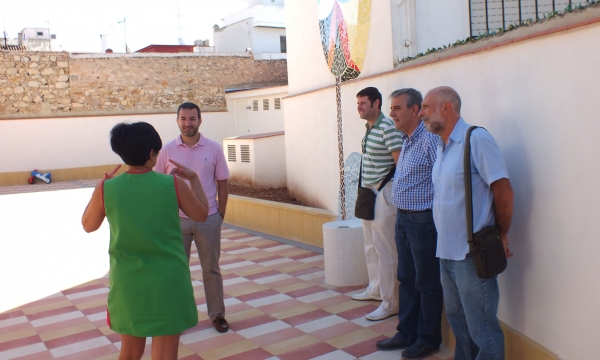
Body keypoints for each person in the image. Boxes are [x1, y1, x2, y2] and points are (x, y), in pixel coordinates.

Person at [81, 122, 209, 360]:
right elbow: (202, 214)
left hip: (128, 285)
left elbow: (88, 225)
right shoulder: (172, 184)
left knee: (129, 353)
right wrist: (194, 180)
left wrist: (99, 187)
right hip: (168, 283)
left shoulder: (108, 188)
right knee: (165, 356)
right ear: (151, 153)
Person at [421, 86, 514, 360]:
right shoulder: (442, 147)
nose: (422, 113)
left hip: (471, 254)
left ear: (446, 107)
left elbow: (503, 189)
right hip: (446, 252)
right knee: (459, 323)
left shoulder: (476, 139)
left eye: (426, 107)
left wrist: (502, 233)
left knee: (482, 329)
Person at [375, 89, 443, 359]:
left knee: (426, 282)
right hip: (403, 219)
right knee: (407, 278)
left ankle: (428, 339)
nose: (391, 113)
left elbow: (441, 181)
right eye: (391, 108)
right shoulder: (407, 139)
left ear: (415, 110)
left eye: (397, 108)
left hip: (422, 220)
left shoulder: (428, 140)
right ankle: (406, 333)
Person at [154, 102, 231, 333]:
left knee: (211, 269)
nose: (188, 123)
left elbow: (223, 182)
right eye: (183, 119)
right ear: (177, 120)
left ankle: (217, 315)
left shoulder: (214, 148)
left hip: (208, 218)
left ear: (200, 120)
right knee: (177, 270)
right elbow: (157, 183)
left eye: (192, 119)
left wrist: (221, 213)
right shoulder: (167, 150)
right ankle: (177, 317)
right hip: (177, 220)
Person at [351, 87, 403, 321]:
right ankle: (375, 289)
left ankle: (391, 301)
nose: (359, 107)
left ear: (376, 103)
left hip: (384, 192)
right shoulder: (370, 128)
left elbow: (400, 164)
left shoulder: (387, 128)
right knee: (370, 244)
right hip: (369, 193)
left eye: (363, 103)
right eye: (358, 103)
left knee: (386, 249)